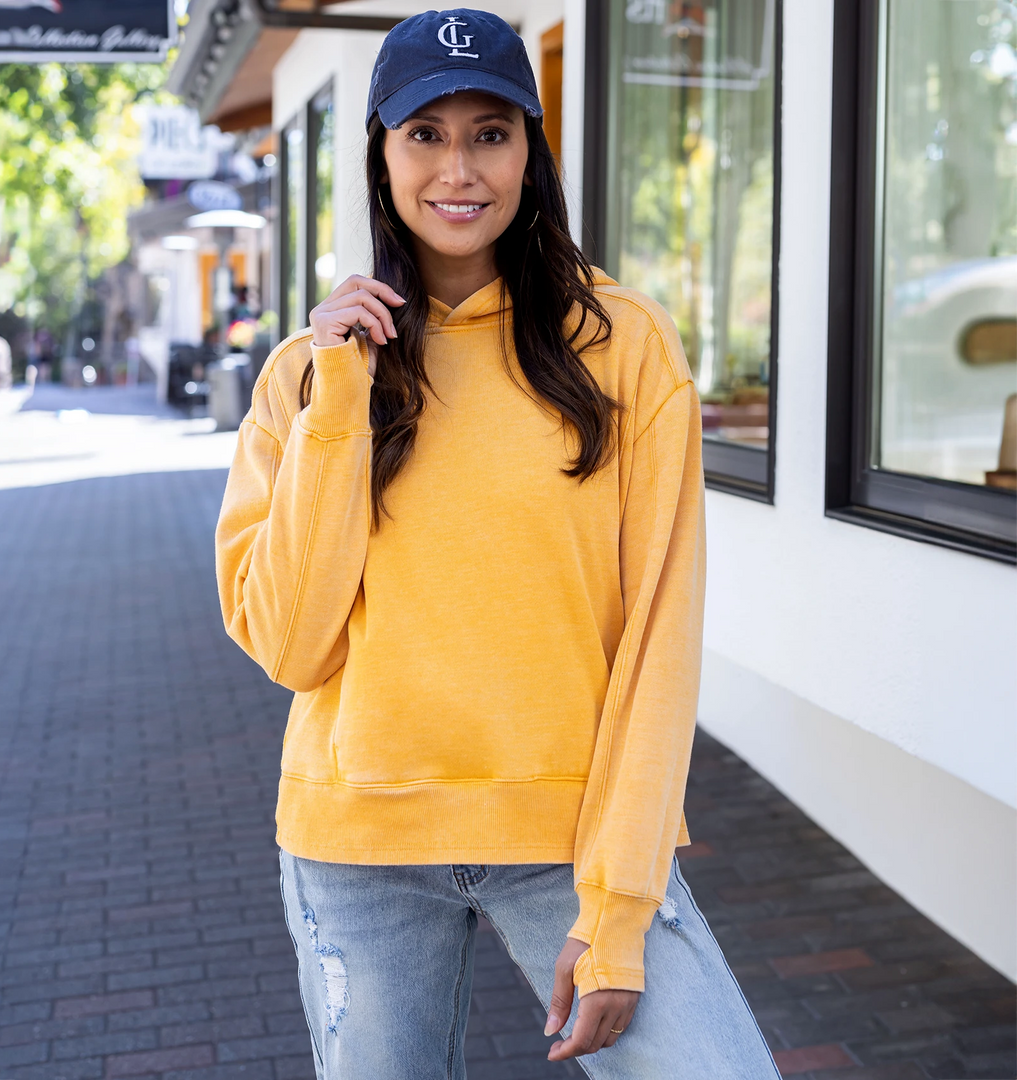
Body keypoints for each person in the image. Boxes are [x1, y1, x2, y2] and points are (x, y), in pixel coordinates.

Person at [215, 10, 780, 1079]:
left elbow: (660, 638)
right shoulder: (308, 369)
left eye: (491, 131)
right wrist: (341, 394)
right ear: (381, 155)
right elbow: (291, 647)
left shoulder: (618, 347)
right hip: (358, 847)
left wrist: (616, 906)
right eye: (424, 133)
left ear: (531, 148)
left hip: (567, 842)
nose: (459, 168)